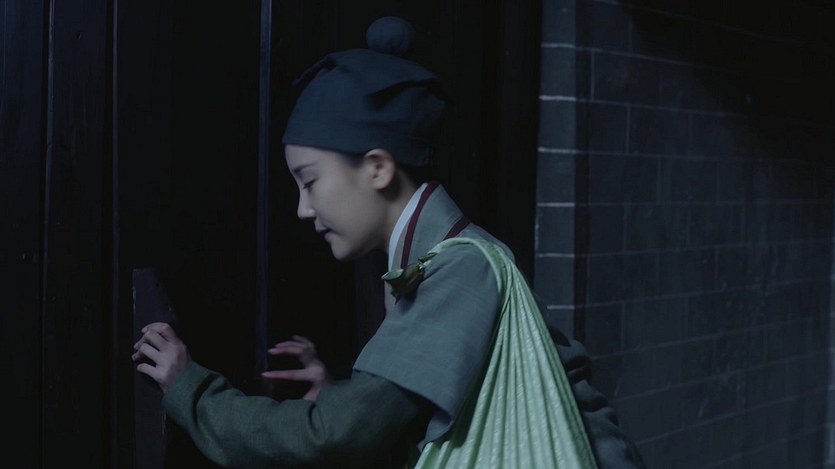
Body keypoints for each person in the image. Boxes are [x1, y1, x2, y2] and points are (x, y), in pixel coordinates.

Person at [133, 16, 645, 468]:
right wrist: (347, 397)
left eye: (310, 181)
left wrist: (189, 387)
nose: (303, 209)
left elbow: (332, 438)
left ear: (378, 168)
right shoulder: (440, 261)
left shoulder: (460, 270)